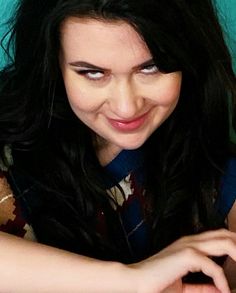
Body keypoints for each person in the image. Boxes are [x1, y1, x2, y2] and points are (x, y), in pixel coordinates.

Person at [0, 0, 235, 292]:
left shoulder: (216, 169)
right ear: (54, 62)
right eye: (92, 73)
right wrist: (131, 281)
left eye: (151, 68)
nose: (126, 107)